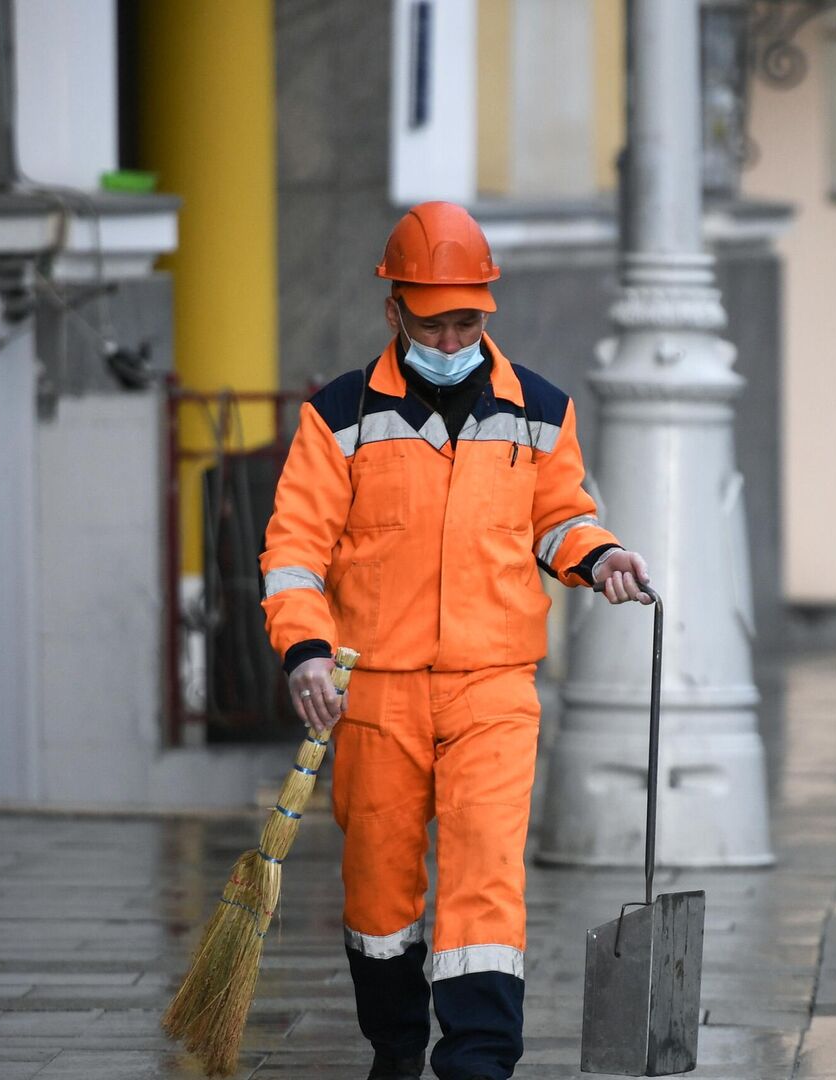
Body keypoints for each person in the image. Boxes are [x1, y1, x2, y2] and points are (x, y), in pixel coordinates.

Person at [259, 201, 653, 1080]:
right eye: (432, 319)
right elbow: (294, 549)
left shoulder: (541, 411)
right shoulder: (339, 417)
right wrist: (307, 650)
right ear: (393, 310)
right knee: (379, 890)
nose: (450, 334)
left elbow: (560, 519)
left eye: (466, 319)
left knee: (485, 877)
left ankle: (478, 1062)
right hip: (376, 691)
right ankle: (395, 1050)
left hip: (493, 686)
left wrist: (603, 556)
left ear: (487, 312)